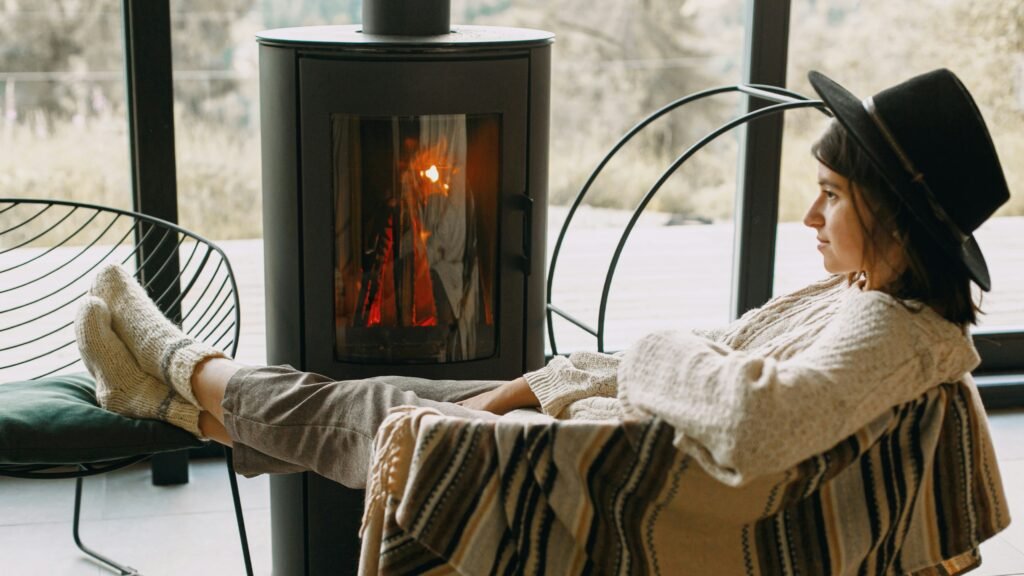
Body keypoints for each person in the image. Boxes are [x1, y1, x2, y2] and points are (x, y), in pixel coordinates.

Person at [75, 68, 1010, 491]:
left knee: (355, 413)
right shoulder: (868, 306)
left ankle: (172, 358)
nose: (810, 217)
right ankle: (161, 398)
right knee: (356, 405)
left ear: (891, 211)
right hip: (577, 423)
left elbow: (749, 417)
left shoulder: (890, 334)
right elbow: (722, 372)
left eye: (832, 195)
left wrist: (636, 350)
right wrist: (540, 382)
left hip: (581, 467)